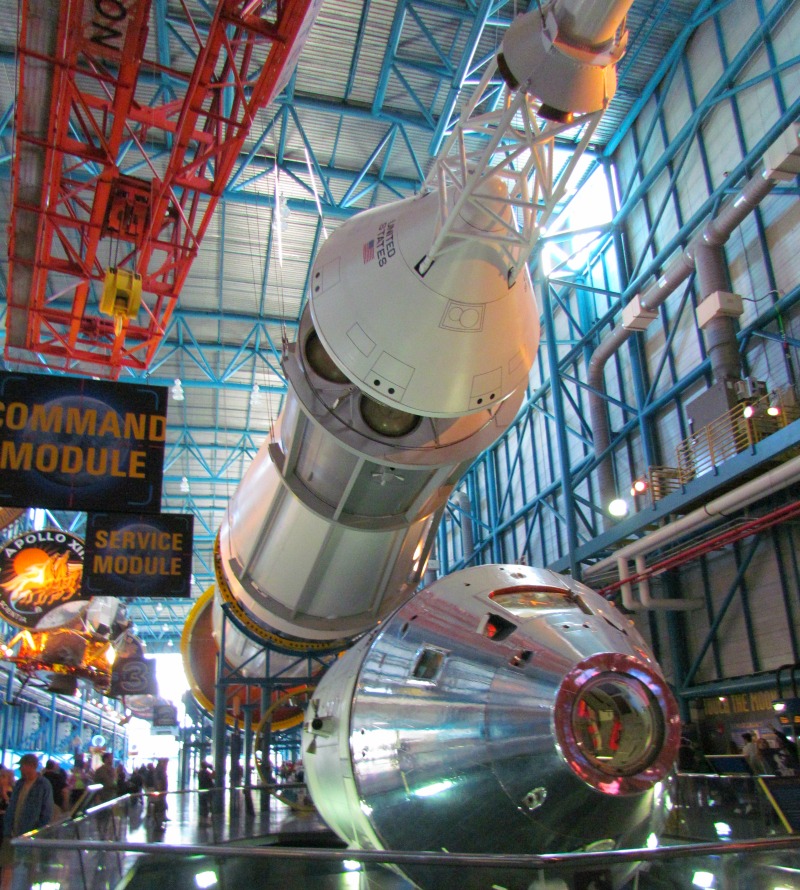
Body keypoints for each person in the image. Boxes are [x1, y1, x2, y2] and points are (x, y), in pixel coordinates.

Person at [4, 754, 54, 890]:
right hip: (13, 832)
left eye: (22, 766)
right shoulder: (20, 784)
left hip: (29, 835)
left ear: (31, 766)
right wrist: (7, 830)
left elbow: (46, 812)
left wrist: (37, 832)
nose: (20, 769)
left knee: (27, 866)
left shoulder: (43, 785)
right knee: (10, 864)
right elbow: (12, 808)